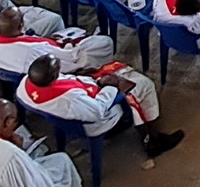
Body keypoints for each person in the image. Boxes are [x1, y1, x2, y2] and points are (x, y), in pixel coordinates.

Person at [19, 56, 184, 158]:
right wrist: (110, 87)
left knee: (112, 70)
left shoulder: (26, 85)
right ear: (54, 76)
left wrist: (88, 78)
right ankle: (153, 140)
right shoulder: (69, 99)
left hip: (71, 110)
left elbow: (67, 81)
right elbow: (97, 111)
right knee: (144, 85)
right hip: (99, 118)